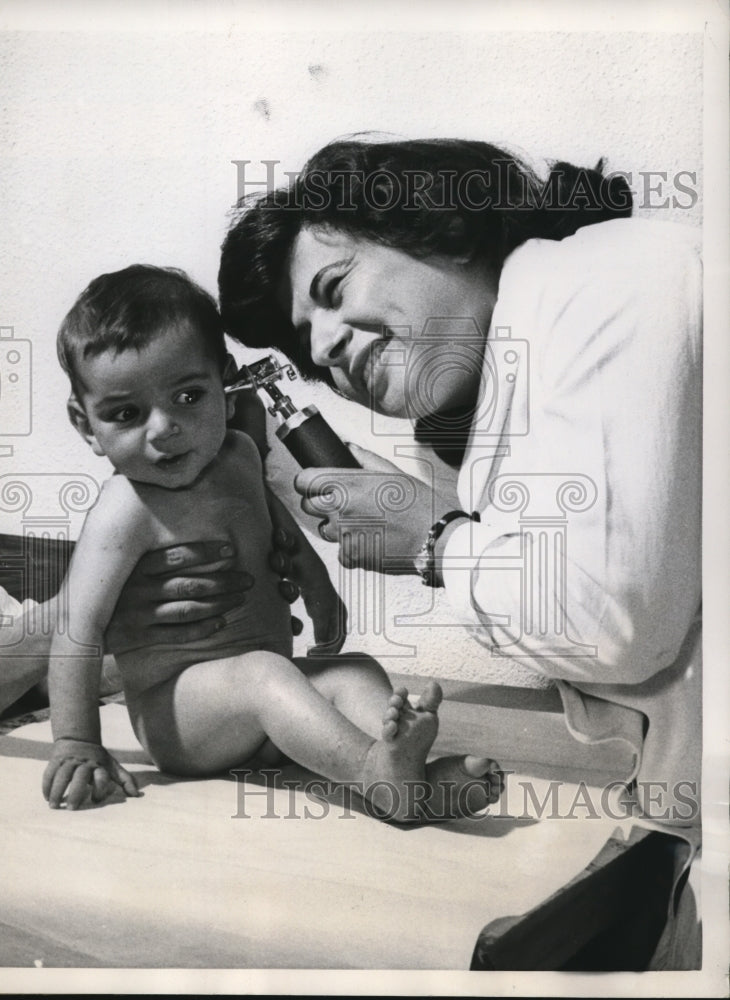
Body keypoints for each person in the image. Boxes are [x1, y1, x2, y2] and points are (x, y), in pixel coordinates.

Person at [214, 136, 702, 833]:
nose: (322, 348)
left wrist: (433, 537)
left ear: (443, 228)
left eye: (334, 289)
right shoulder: (480, 413)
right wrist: (437, 521)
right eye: (307, 344)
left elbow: (618, 628)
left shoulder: (604, 278)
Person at [41, 263, 503, 821]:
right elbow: (77, 625)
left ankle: (407, 777)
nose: (164, 428)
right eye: (126, 413)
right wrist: (77, 742)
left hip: (260, 704)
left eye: (188, 396)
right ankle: (374, 774)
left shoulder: (238, 454)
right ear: (87, 425)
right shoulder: (125, 510)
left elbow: (277, 529)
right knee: (266, 673)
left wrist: (320, 588)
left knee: (354, 670)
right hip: (181, 717)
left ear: (227, 384)